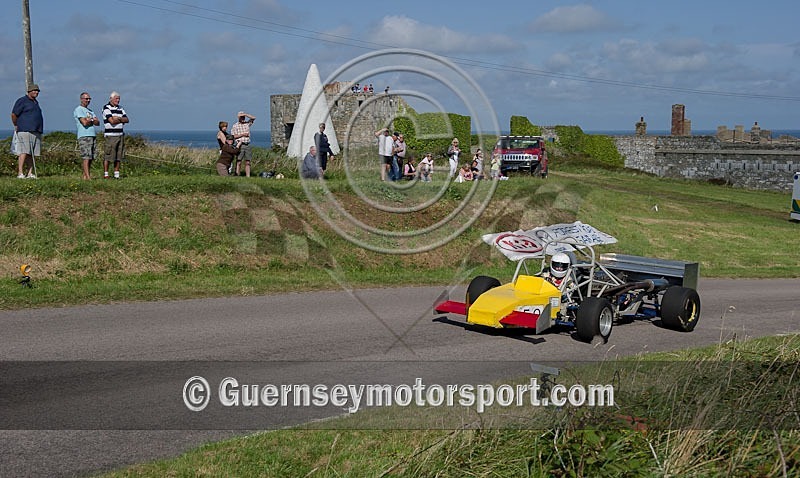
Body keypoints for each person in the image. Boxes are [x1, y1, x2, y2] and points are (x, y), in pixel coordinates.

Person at [11, 83, 43, 179]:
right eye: (34, 90)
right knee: (23, 151)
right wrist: (16, 125)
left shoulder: (35, 102)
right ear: (29, 91)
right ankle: (20, 173)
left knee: (32, 153)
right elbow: (14, 114)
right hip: (25, 130)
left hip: (36, 130)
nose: (36, 92)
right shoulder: (22, 101)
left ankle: (30, 173)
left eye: (37, 91)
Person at [102, 91, 129, 179]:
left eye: (119, 99)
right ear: (111, 98)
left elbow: (127, 119)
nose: (118, 100)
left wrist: (118, 118)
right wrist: (121, 119)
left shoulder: (121, 108)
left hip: (120, 134)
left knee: (118, 155)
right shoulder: (106, 108)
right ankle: (106, 174)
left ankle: (116, 174)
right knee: (108, 155)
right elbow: (111, 121)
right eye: (116, 98)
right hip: (110, 135)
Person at [74, 92, 99, 180]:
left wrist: (90, 120)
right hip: (84, 135)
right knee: (86, 157)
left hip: (92, 135)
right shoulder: (79, 109)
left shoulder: (90, 111)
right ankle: (88, 177)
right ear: (81, 99)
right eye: (86, 99)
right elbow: (84, 122)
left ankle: (85, 175)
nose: (88, 100)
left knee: (91, 156)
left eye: (89, 99)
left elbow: (98, 122)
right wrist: (92, 120)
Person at [231, 111, 255, 177]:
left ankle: (248, 176)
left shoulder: (247, 124)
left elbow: (253, 118)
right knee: (239, 161)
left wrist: (245, 114)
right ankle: (237, 175)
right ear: (238, 118)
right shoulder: (235, 126)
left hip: (247, 144)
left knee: (248, 161)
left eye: (243, 117)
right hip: (240, 144)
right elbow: (234, 136)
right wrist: (243, 134)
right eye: (241, 117)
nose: (243, 118)